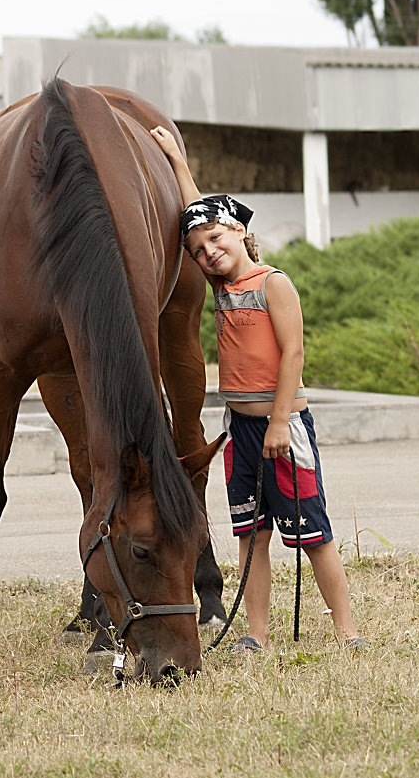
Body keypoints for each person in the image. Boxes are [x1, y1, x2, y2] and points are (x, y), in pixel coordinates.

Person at [150, 125, 368, 652]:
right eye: (197, 250)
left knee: (312, 534)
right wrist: (178, 167)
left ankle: (347, 631)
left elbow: (293, 354)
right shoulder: (220, 287)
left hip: (282, 427)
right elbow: (195, 212)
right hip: (240, 431)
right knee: (251, 536)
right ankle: (256, 634)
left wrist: (276, 424)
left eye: (216, 240)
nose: (208, 252)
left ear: (240, 233)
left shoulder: (274, 283)